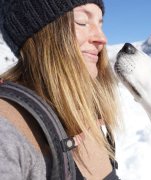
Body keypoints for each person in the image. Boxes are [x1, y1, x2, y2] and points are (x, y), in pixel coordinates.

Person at [0, 0, 121, 179]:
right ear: (42, 33)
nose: (102, 38)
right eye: (81, 21)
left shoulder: (92, 116)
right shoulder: (6, 131)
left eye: (100, 23)